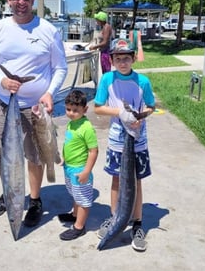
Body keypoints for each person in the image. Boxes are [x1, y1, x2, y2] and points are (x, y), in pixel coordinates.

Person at [0, 0, 68, 227]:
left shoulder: (48, 30)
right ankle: (10, 193)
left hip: (35, 108)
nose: (21, 2)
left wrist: (50, 92)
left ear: (32, 0)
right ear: (8, 0)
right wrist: (2, 80)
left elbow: (60, 67)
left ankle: (35, 199)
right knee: (5, 154)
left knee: (35, 155)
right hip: (3, 103)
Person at [93, 38, 155, 251]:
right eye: (118, 58)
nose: (122, 62)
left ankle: (137, 223)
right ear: (112, 60)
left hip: (137, 140)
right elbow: (99, 107)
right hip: (117, 140)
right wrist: (120, 112)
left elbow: (151, 106)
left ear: (133, 59)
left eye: (126, 58)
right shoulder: (107, 80)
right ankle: (115, 216)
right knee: (117, 180)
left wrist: (141, 116)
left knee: (136, 182)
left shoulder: (143, 81)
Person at [58, 89, 98, 241]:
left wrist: (87, 171)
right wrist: (64, 158)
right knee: (75, 194)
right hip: (69, 167)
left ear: (85, 109)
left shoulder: (86, 128)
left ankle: (79, 227)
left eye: (75, 110)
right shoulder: (72, 123)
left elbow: (93, 151)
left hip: (80, 169)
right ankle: (74, 215)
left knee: (83, 200)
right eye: (68, 109)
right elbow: (69, 144)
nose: (71, 113)